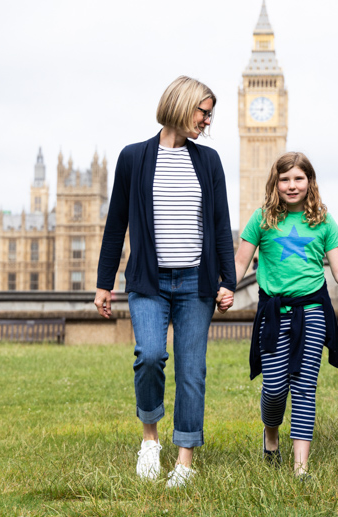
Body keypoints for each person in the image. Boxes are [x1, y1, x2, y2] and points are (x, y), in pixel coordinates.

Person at [94, 75, 236, 488]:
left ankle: (185, 461)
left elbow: (219, 224)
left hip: (197, 282)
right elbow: (116, 222)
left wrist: (227, 279)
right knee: (151, 355)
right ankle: (150, 441)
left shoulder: (208, 162)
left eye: (210, 115)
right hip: (148, 282)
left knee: (192, 370)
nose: (207, 121)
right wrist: (105, 282)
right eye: (203, 112)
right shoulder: (134, 157)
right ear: (180, 104)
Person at [223, 152, 338, 479]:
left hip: (312, 312)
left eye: (298, 178)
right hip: (273, 313)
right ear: (275, 183)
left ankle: (300, 467)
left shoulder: (322, 221)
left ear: (309, 182)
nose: (291, 185)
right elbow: (240, 263)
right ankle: (271, 434)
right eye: (285, 179)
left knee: (305, 387)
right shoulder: (262, 219)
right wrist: (225, 287)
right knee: (275, 389)